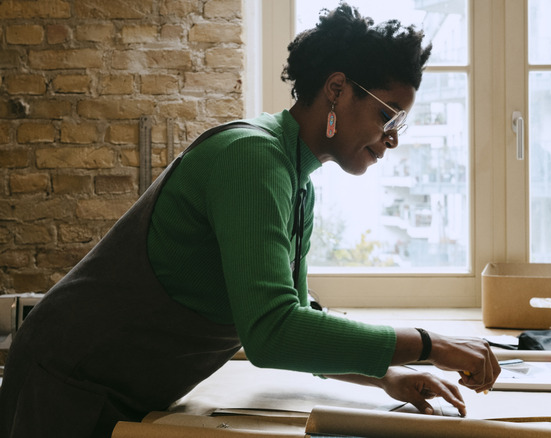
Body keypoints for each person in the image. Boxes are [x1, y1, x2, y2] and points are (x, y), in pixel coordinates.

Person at [0, 3, 499, 437]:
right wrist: (431, 347)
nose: (393, 139)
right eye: (388, 116)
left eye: (400, 124)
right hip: (67, 382)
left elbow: (298, 318)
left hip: (120, 386)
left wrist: (384, 376)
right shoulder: (253, 158)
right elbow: (271, 332)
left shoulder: (295, 180)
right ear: (337, 90)